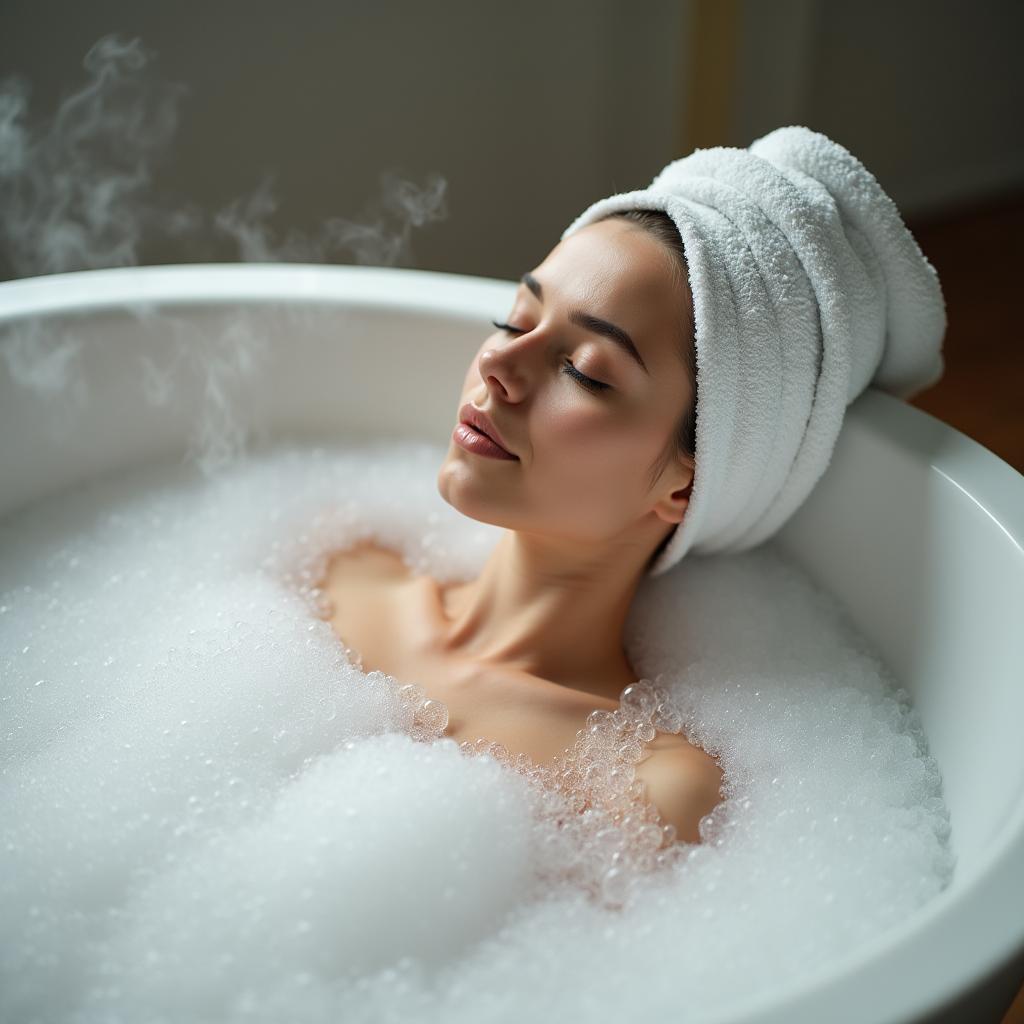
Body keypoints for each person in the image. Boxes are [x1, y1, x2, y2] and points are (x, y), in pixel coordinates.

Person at [320, 210, 725, 846]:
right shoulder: (325, 574)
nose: (498, 365)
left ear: (686, 484)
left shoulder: (640, 792)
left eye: (585, 371)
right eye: (514, 320)